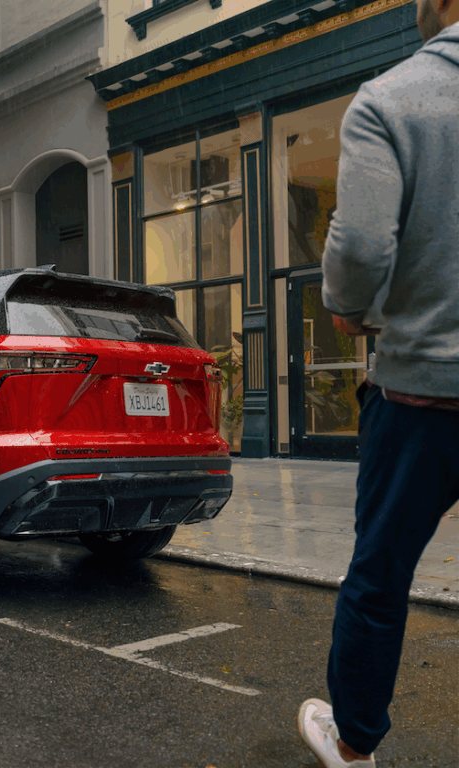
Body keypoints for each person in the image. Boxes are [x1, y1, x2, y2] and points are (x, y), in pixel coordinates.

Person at [297, 2, 459, 766]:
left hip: (421, 403)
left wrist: (349, 310)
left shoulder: (392, 99)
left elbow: (360, 244)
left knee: (381, 576)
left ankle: (355, 744)